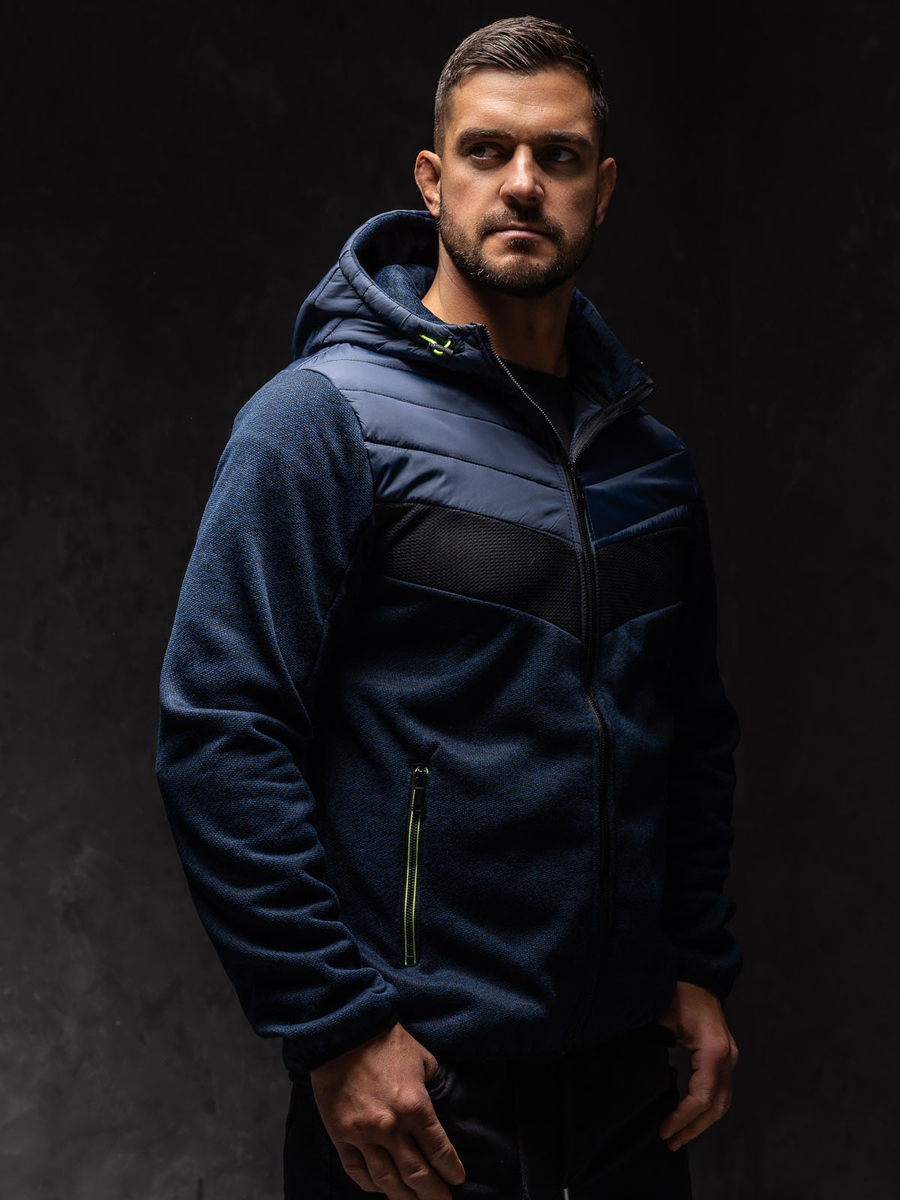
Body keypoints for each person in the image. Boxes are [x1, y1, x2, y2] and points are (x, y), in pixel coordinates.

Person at [155, 15, 742, 1200]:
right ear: (432, 181)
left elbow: (690, 736)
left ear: (602, 189)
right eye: (486, 151)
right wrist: (335, 1026)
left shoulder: (652, 468)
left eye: (559, 156)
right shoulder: (323, 422)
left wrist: (694, 963)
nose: (522, 183)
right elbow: (220, 734)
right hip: (419, 1094)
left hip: (629, 1097)